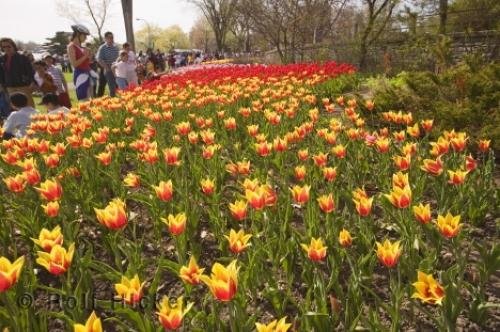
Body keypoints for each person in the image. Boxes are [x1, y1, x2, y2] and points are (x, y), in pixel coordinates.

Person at [0, 38, 36, 107]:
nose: (6, 48)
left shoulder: (22, 57)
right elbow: (1, 74)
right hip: (9, 87)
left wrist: (32, 82)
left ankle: (33, 118)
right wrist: (2, 85)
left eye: (8, 46)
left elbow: (30, 71)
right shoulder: (2, 59)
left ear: (13, 46)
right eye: (4, 47)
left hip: (23, 86)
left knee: (29, 106)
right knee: (15, 107)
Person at [67, 24, 93, 101]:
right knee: (84, 101)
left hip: (87, 73)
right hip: (80, 75)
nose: (86, 37)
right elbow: (74, 64)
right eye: (84, 35)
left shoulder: (82, 47)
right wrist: (85, 56)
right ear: (78, 34)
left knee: (91, 99)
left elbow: (87, 62)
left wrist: (89, 56)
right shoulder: (71, 46)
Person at [96, 31, 119, 97]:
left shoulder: (115, 47)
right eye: (109, 37)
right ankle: (113, 102)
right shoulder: (102, 48)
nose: (111, 39)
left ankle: (118, 101)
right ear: (105, 38)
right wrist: (106, 68)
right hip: (108, 69)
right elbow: (99, 59)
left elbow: (118, 57)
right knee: (112, 88)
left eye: (112, 37)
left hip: (116, 68)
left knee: (118, 86)